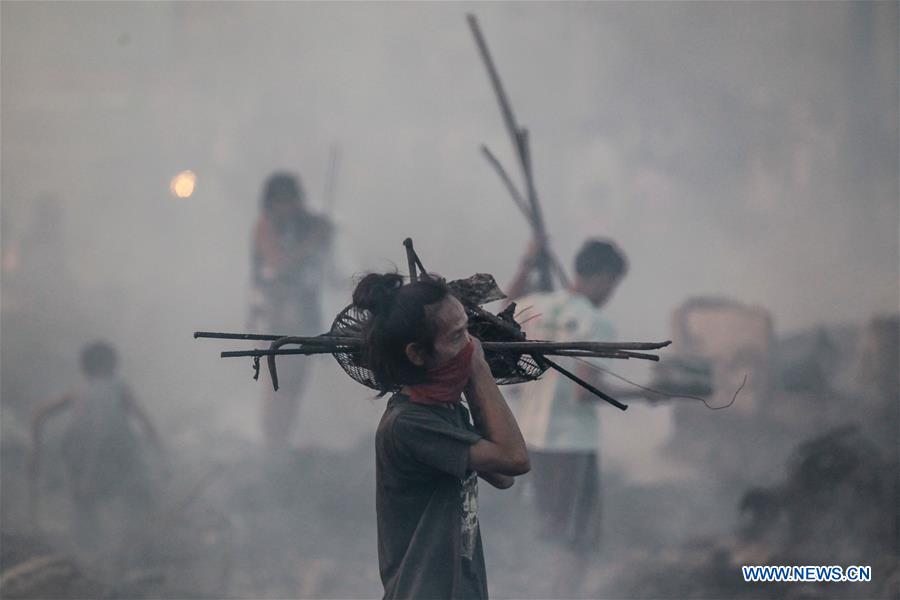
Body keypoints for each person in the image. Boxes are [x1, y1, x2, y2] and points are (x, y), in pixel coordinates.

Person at [352, 272, 530, 599]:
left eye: (468, 331)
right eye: (457, 336)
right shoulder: (409, 424)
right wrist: (478, 371)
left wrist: (470, 386)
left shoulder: (444, 411)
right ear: (417, 354)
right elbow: (514, 459)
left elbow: (503, 476)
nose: (471, 345)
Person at [506, 238, 628, 597]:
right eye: (613, 285)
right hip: (572, 445)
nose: (611, 294)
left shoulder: (534, 307)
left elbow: (501, 314)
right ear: (603, 277)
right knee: (577, 539)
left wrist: (526, 264)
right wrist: (646, 395)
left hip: (529, 440)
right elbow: (584, 391)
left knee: (547, 531)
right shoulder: (596, 322)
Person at [30, 341, 166, 548]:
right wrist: (161, 451)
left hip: (80, 455)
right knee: (139, 496)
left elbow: (39, 415)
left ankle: (89, 551)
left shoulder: (78, 391)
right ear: (111, 364)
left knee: (85, 504)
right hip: (116, 453)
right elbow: (144, 421)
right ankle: (139, 543)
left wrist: (35, 451)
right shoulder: (120, 388)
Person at [250, 172, 332, 448]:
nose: (288, 207)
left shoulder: (304, 225)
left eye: (291, 200)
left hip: (304, 315)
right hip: (274, 317)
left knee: (296, 383)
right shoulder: (265, 226)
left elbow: (328, 265)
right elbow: (279, 264)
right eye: (282, 202)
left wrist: (323, 235)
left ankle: (282, 442)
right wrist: (312, 242)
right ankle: (271, 442)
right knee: (278, 382)